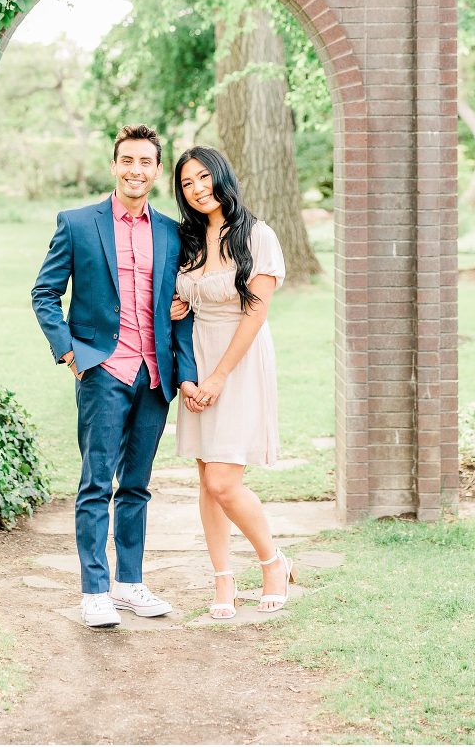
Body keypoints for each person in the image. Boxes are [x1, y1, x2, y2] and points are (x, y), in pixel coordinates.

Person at [31, 123, 198, 628]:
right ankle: (95, 590)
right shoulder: (79, 224)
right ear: (114, 165)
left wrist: (184, 373)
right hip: (103, 371)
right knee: (96, 483)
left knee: (138, 486)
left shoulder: (172, 232)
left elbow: (181, 309)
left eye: (146, 162)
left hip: (154, 376)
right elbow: (45, 294)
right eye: (128, 160)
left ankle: (129, 583)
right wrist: (72, 354)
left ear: (155, 170)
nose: (136, 170)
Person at [171, 145, 295, 619]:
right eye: (187, 183)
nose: (198, 189)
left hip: (239, 359)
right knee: (206, 478)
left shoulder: (257, 235)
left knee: (225, 479)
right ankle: (223, 580)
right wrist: (176, 313)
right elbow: (180, 302)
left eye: (204, 177)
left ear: (222, 177)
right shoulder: (188, 240)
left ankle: (272, 562)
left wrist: (220, 376)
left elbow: (255, 311)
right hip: (198, 358)